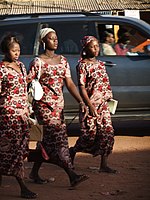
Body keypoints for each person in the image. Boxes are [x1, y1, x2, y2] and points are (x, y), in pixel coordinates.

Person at [27, 28, 89, 187]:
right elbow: (28, 84)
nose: (55, 41)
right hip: (44, 108)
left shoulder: (63, 60)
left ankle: (34, 172)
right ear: (43, 42)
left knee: (46, 141)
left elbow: (69, 83)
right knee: (60, 141)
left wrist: (81, 101)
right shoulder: (37, 62)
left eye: (56, 38)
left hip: (59, 108)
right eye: (51, 38)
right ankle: (72, 175)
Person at [69, 36, 117, 173]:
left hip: (103, 105)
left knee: (108, 133)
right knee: (89, 135)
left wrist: (108, 99)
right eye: (92, 46)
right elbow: (82, 87)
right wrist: (89, 105)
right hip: (90, 106)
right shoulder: (82, 65)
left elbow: (104, 83)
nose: (96, 49)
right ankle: (72, 151)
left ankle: (104, 164)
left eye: (97, 46)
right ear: (85, 48)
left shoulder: (101, 64)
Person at [0, 35, 37, 198]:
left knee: (20, 148)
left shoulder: (21, 66)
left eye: (18, 50)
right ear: (6, 51)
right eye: (13, 51)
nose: (16, 53)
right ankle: (22, 187)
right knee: (11, 149)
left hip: (22, 114)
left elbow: (24, 86)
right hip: (8, 114)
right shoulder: (1, 69)